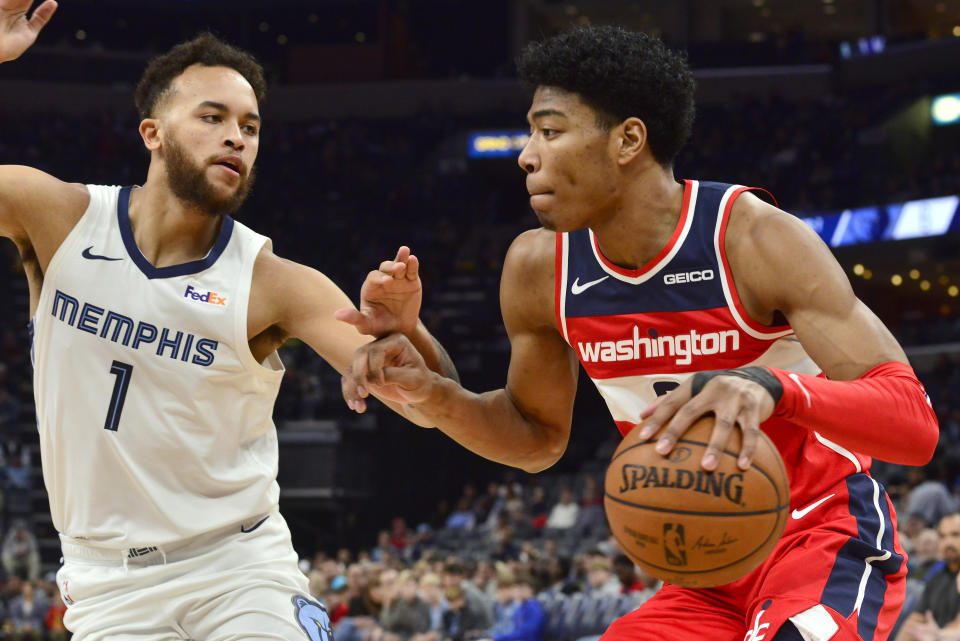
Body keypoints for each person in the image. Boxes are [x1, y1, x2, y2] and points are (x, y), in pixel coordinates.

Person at [341, 25, 939, 641]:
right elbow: (536, 439)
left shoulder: (752, 237)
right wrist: (432, 391)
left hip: (822, 537)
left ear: (628, 139)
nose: (526, 154)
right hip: (704, 570)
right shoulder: (537, 267)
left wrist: (773, 386)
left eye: (549, 131)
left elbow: (915, 425)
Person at [0, 3, 455, 639]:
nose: (236, 137)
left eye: (250, 125)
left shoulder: (272, 281)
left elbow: (435, 407)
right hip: (106, 587)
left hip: (239, 573)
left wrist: (409, 335)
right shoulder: (59, 216)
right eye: (212, 118)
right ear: (152, 133)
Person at [895, 513, 960, 641]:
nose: (948, 542)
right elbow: (914, 622)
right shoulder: (936, 578)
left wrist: (939, 635)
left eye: (955, 535)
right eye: (943, 536)